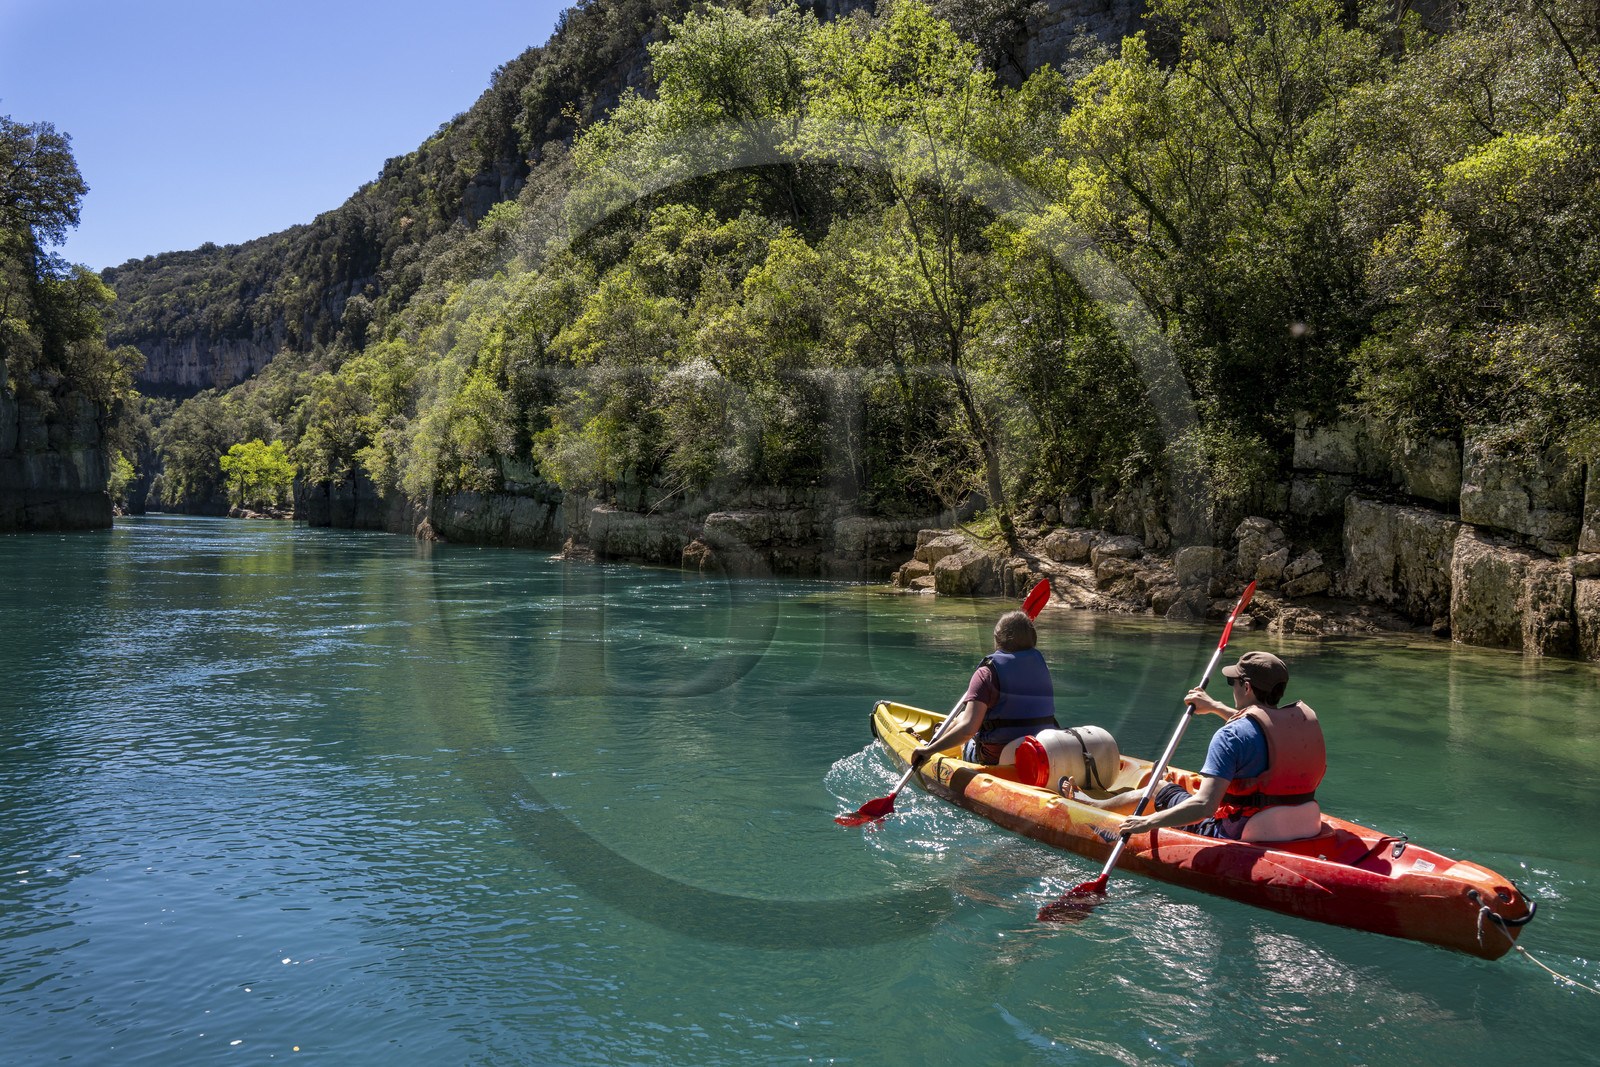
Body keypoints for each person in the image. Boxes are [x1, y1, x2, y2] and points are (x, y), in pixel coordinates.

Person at [1069, 651, 1325, 843]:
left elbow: (1205, 807)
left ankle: (1092, 807)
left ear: (1246, 687)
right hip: (1303, 821)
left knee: (1158, 789)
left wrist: (1147, 822)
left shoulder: (1230, 737)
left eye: (1233, 682)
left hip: (1238, 831)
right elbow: (1260, 727)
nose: (1233, 687)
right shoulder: (1298, 726)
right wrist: (1214, 707)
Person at [911, 609, 1060, 767]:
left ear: (997, 639)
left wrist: (929, 752)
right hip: (1040, 752)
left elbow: (968, 730)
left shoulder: (986, 673)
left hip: (997, 759)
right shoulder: (1042, 666)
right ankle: (939, 735)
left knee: (964, 719)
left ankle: (932, 743)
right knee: (965, 717)